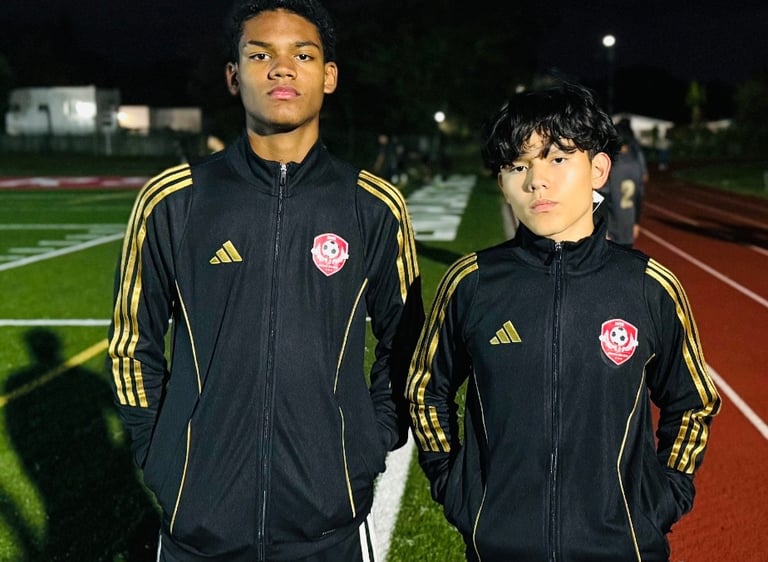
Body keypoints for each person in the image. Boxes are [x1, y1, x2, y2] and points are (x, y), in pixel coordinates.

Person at [107, 1, 423, 560]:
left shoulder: (372, 206)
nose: (281, 68)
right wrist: (164, 456)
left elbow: (408, 346)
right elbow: (133, 344)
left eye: (303, 55)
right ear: (234, 76)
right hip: (198, 526)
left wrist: (367, 445)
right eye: (260, 55)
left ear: (329, 75)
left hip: (329, 526)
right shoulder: (175, 201)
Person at [406, 83, 720, 562]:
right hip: (501, 549)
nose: (537, 180)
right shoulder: (472, 283)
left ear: (598, 170)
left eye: (557, 158)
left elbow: (693, 402)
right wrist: (459, 490)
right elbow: (426, 390)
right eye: (517, 166)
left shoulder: (649, 287)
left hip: (623, 548)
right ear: (501, 183)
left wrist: (662, 499)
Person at [599, 134, 645, 247]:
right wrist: (636, 222)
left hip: (613, 225)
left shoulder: (611, 166)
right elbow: (639, 196)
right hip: (628, 223)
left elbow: (603, 196)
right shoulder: (635, 166)